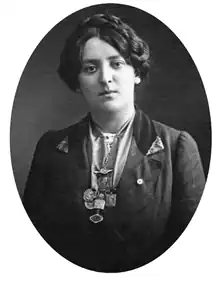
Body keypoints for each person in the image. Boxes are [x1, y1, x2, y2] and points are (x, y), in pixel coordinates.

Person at [23, 13, 205, 272]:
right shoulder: (51, 148)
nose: (105, 78)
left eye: (117, 64)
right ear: (77, 82)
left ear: (137, 73)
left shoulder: (177, 147)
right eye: (90, 68)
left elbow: (193, 253)